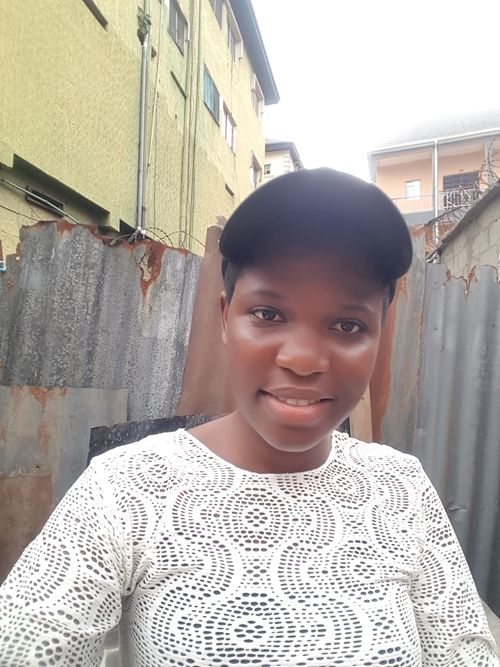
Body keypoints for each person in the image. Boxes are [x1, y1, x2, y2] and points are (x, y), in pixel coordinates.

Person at [0, 168, 498, 666]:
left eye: (348, 325)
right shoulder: (126, 488)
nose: (303, 359)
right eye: (268, 314)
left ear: (379, 337)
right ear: (225, 318)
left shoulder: (401, 488)